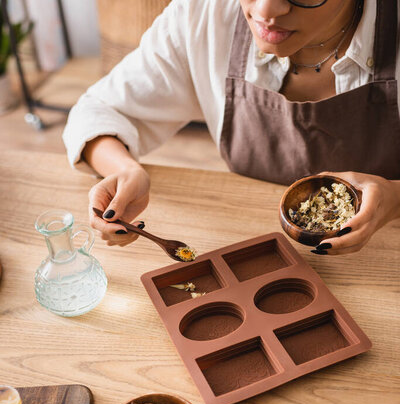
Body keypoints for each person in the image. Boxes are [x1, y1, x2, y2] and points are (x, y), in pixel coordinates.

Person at [63, 0, 400, 256]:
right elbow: (98, 110)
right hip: (251, 244)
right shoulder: (204, 15)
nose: (267, 10)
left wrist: (394, 200)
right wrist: (124, 170)